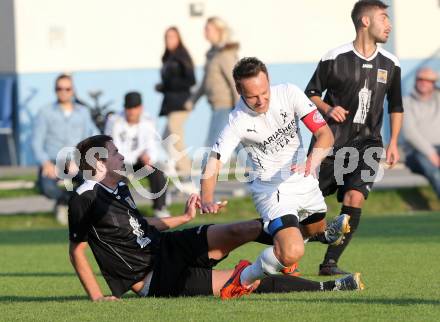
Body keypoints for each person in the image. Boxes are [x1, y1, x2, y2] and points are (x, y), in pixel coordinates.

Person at [68, 134, 364, 301]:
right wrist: (97, 297)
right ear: (99, 162)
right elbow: (77, 249)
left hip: (167, 247)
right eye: (116, 152)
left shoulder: (118, 187)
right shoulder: (85, 197)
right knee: (245, 282)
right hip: (154, 277)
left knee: (245, 228)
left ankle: (313, 236)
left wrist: (184, 218)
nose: (122, 157)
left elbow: (142, 227)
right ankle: (330, 287)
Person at [200, 57, 353, 298]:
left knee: (313, 229)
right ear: (239, 90)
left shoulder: (289, 93)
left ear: (269, 80)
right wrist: (206, 197)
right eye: (252, 97)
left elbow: (325, 134)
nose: (261, 101)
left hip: (304, 180)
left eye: (264, 92)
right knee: (292, 250)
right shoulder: (237, 121)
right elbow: (214, 161)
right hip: (272, 192)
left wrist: (313, 160)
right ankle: (242, 278)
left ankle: (320, 235)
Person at [304, 0, 404, 275]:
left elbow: (396, 106)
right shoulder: (334, 58)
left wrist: (393, 141)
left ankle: (330, 263)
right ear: (365, 21)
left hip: (369, 145)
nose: (389, 24)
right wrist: (328, 108)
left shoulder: (391, 64)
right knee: (306, 206)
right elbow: (311, 93)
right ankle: (287, 252)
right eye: (384, 18)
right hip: (331, 144)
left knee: (355, 198)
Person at [32, 73, 99, 224]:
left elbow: (93, 136)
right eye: (59, 88)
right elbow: (36, 142)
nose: (63, 92)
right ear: (55, 90)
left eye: (67, 89)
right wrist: (45, 163)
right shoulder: (45, 112)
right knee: (47, 187)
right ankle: (66, 202)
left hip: (76, 160)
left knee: (92, 183)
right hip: (53, 161)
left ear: (73, 90)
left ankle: (73, 208)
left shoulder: (83, 112)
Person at [104, 91, 170, 218]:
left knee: (157, 171)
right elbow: (112, 148)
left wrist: (147, 156)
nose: (131, 112)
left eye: (134, 108)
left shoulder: (148, 121)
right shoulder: (114, 121)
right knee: (118, 177)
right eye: (129, 108)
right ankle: (120, 211)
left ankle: (160, 208)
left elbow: (152, 145)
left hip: (140, 162)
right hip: (121, 162)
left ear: (141, 108)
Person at [185, 16, 240, 148]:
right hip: (217, 106)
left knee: (213, 144)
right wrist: (193, 100)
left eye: (208, 29)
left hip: (226, 107)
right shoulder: (213, 54)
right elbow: (205, 82)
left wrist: (240, 106)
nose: (205, 32)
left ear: (219, 31)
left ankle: (209, 168)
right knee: (235, 143)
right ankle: (253, 166)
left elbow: (235, 81)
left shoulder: (225, 54)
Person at [156, 26, 196, 176]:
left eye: (172, 37)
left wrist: (167, 85)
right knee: (166, 139)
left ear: (179, 38)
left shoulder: (182, 56)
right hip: (170, 104)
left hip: (181, 104)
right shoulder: (168, 57)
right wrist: (163, 87)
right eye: (167, 37)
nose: (169, 40)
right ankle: (183, 168)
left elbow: (191, 81)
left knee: (175, 139)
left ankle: (187, 174)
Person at [402, 67, 440, 197]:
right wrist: (430, 153)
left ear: (434, 83)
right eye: (420, 79)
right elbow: (409, 132)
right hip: (417, 152)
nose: (423, 82)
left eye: (428, 80)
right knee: (435, 172)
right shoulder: (406, 102)